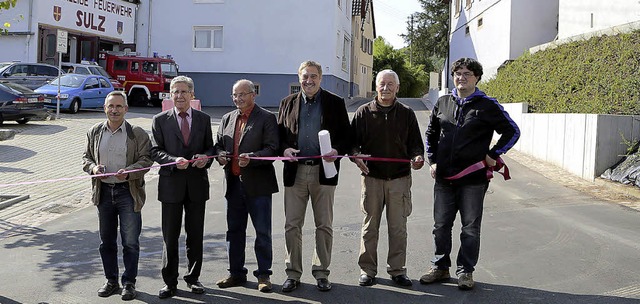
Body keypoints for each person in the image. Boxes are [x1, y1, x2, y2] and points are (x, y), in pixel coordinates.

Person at [422, 57, 520, 290]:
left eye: (467, 73)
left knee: (470, 227)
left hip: (473, 181)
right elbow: (431, 134)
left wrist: (494, 154)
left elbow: (512, 131)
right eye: (458, 73)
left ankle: (465, 271)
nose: (461, 77)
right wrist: (433, 161)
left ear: (476, 77)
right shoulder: (443, 102)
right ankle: (440, 267)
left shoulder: (487, 105)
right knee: (441, 225)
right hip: (444, 178)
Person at [277, 60, 351, 292]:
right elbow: (278, 136)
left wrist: (337, 151)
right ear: (299, 78)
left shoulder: (335, 103)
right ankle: (293, 273)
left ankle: (321, 272)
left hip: (324, 172)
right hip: (295, 172)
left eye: (313, 76)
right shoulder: (287, 103)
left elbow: (347, 136)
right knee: (292, 225)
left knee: (324, 225)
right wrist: (284, 149)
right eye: (304, 77)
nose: (308, 81)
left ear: (320, 78)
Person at [350, 69, 425, 288]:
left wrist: (418, 157)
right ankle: (367, 270)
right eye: (382, 84)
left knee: (398, 228)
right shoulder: (363, 112)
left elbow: (416, 145)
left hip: (400, 179)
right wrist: (356, 156)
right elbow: (352, 143)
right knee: (369, 227)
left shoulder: (407, 113)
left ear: (397, 88)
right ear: (376, 86)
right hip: (372, 178)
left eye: (390, 84)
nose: (386, 88)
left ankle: (398, 270)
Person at [82, 90, 152, 301]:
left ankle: (129, 283)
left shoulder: (137, 133)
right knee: (107, 241)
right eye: (111, 106)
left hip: (127, 193)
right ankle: (111, 280)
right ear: (105, 108)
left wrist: (131, 170)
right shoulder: (94, 131)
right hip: (103, 192)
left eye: (119, 106)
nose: (114, 110)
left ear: (126, 109)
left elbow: (146, 160)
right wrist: (93, 168)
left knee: (130, 242)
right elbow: (86, 158)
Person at [150, 75, 215, 299]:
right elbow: (155, 150)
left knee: (195, 234)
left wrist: (205, 158)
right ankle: (170, 282)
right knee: (170, 236)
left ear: (192, 95)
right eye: (175, 92)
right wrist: (172, 159)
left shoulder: (204, 119)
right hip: (171, 186)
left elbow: (211, 148)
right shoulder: (160, 120)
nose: (179, 96)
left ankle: (193, 278)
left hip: (197, 185)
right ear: (170, 95)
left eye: (183, 91)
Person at [214, 79, 279, 292]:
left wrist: (253, 157)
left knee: (262, 232)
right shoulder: (227, 118)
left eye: (242, 94)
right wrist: (220, 155)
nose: (238, 99)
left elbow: (272, 149)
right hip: (233, 185)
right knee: (234, 232)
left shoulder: (267, 118)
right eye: (235, 95)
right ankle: (236, 273)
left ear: (253, 94)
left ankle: (263, 275)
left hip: (258, 186)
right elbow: (218, 146)